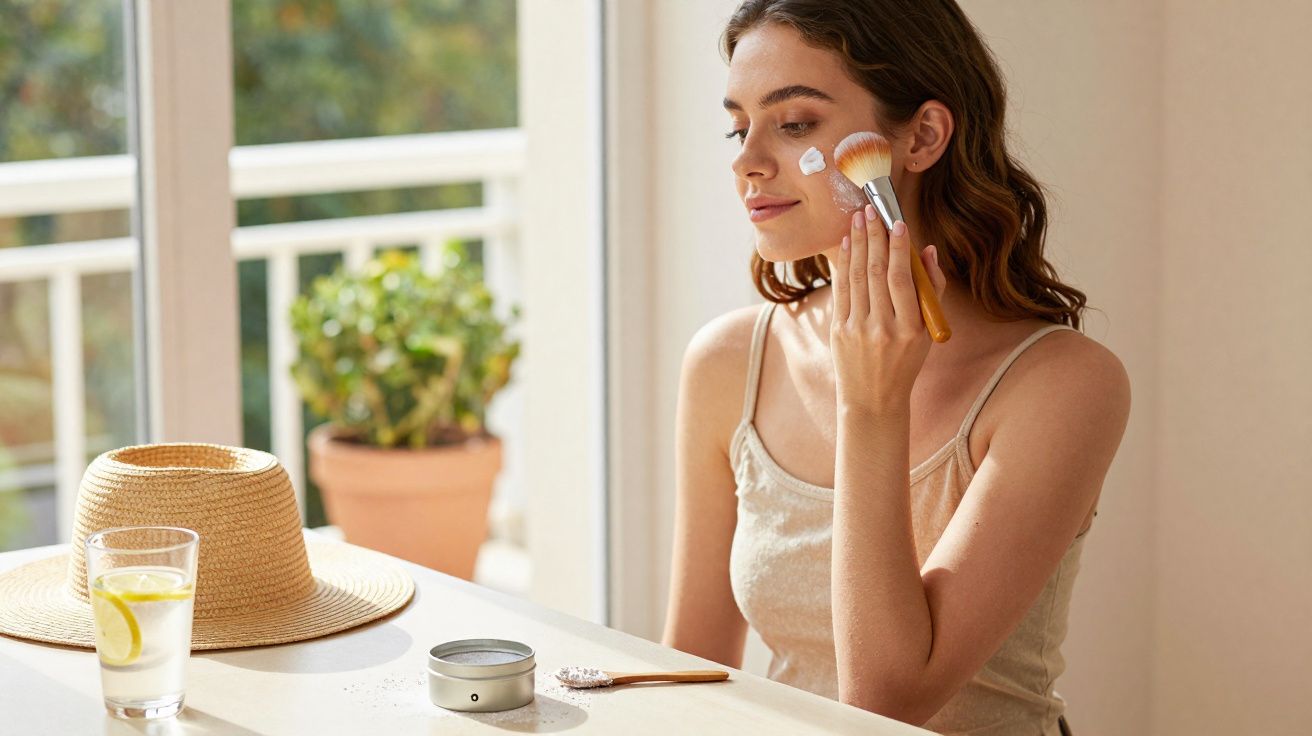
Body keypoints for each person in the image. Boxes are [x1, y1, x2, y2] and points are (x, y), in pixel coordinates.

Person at [660, 2, 1131, 734]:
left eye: (793, 124)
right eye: (737, 125)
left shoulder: (1063, 386)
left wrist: (871, 405)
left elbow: (887, 700)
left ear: (923, 137)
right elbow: (691, 672)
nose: (747, 161)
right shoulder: (728, 365)